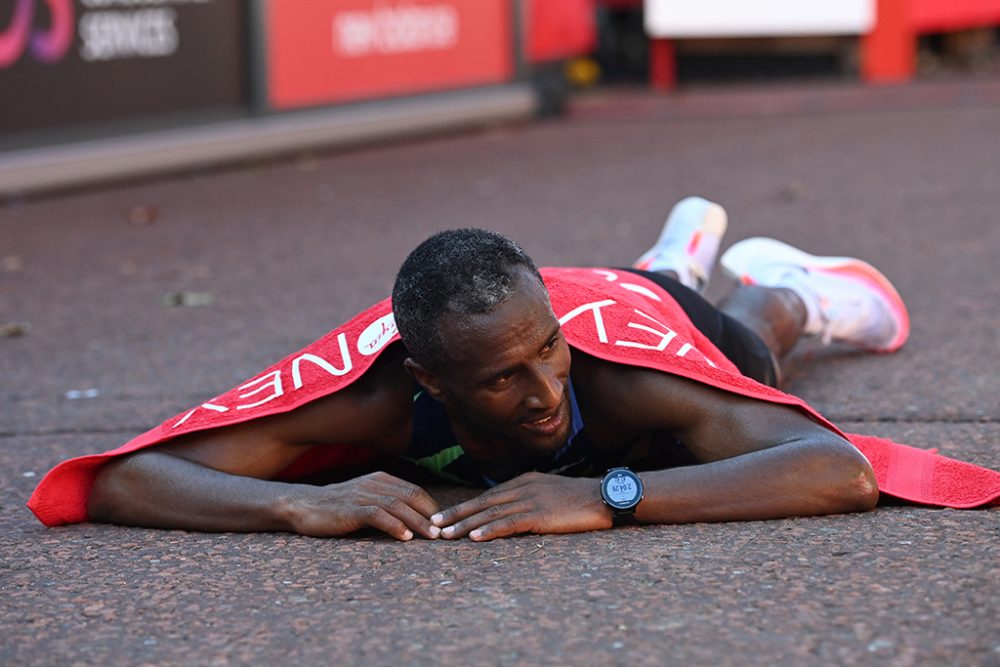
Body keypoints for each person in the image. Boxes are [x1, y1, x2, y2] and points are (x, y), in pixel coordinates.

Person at [80, 197, 912, 542]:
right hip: (533, 308)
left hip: (630, 311)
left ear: (553, 321)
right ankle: (673, 258)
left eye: (546, 350)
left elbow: (839, 471)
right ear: (429, 380)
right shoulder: (373, 399)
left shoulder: (614, 376)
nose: (549, 391)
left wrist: (609, 493)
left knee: (754, 353)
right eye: (503, 379)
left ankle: (792, 288)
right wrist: (298, 500)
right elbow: (124, 480)